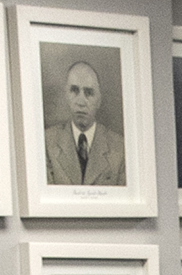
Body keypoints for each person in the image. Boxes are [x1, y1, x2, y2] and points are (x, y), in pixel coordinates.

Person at [42, 58, 122, 187]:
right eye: (74, 90)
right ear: (66, 95)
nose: (81, 102)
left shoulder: (119, 148)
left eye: (89, 93)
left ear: (99, 100)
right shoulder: (47, 142)